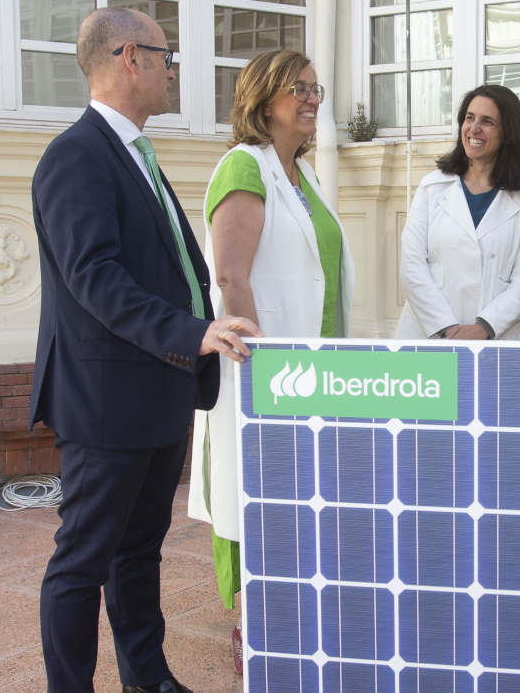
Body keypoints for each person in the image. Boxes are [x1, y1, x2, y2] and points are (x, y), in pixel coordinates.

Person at [30, 7, 261, 693]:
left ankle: (147, 677)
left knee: (137, 554)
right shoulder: (76, 156)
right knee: (82, 561)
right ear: (129, 56)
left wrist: (198, 339)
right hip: (106, 401)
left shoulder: (137, 154)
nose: (172, 71)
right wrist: (193, 331)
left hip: (159, 391)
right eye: (165, 56)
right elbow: (94, 277)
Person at [187, 49, 356, 673]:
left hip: (315, 371)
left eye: (316, 89)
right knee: (254, 492)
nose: (312, 99)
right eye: (297, 89)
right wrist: (262, 364)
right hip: (266, 371)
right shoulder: (245, 166)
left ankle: (298, 608)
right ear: (263, 100)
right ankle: (252, 622)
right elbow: (231, 275)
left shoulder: (298, 176)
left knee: (303, 496)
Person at [395, 84, 520, 340]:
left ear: (507, 133)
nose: (474, 129)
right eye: (469, 118)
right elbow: (411, 264)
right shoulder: (432, 187)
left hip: (496, 339)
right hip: (431, 335)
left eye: (487, 122)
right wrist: (447, 328)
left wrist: (484, 328)